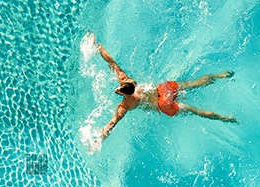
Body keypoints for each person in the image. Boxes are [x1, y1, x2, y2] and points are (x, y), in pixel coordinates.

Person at [94, 40, 238, 150]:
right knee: (192, 84)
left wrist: (99, 140)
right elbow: (111, 61)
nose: (117, 90)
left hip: (163, 104)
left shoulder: (126, 104)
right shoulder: (129, 81)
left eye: (119, 90)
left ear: (123, 92)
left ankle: (226, 118)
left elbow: (112, 123)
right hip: (164, 89)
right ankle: (221, 75)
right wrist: (99, 47)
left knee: (195, 111)